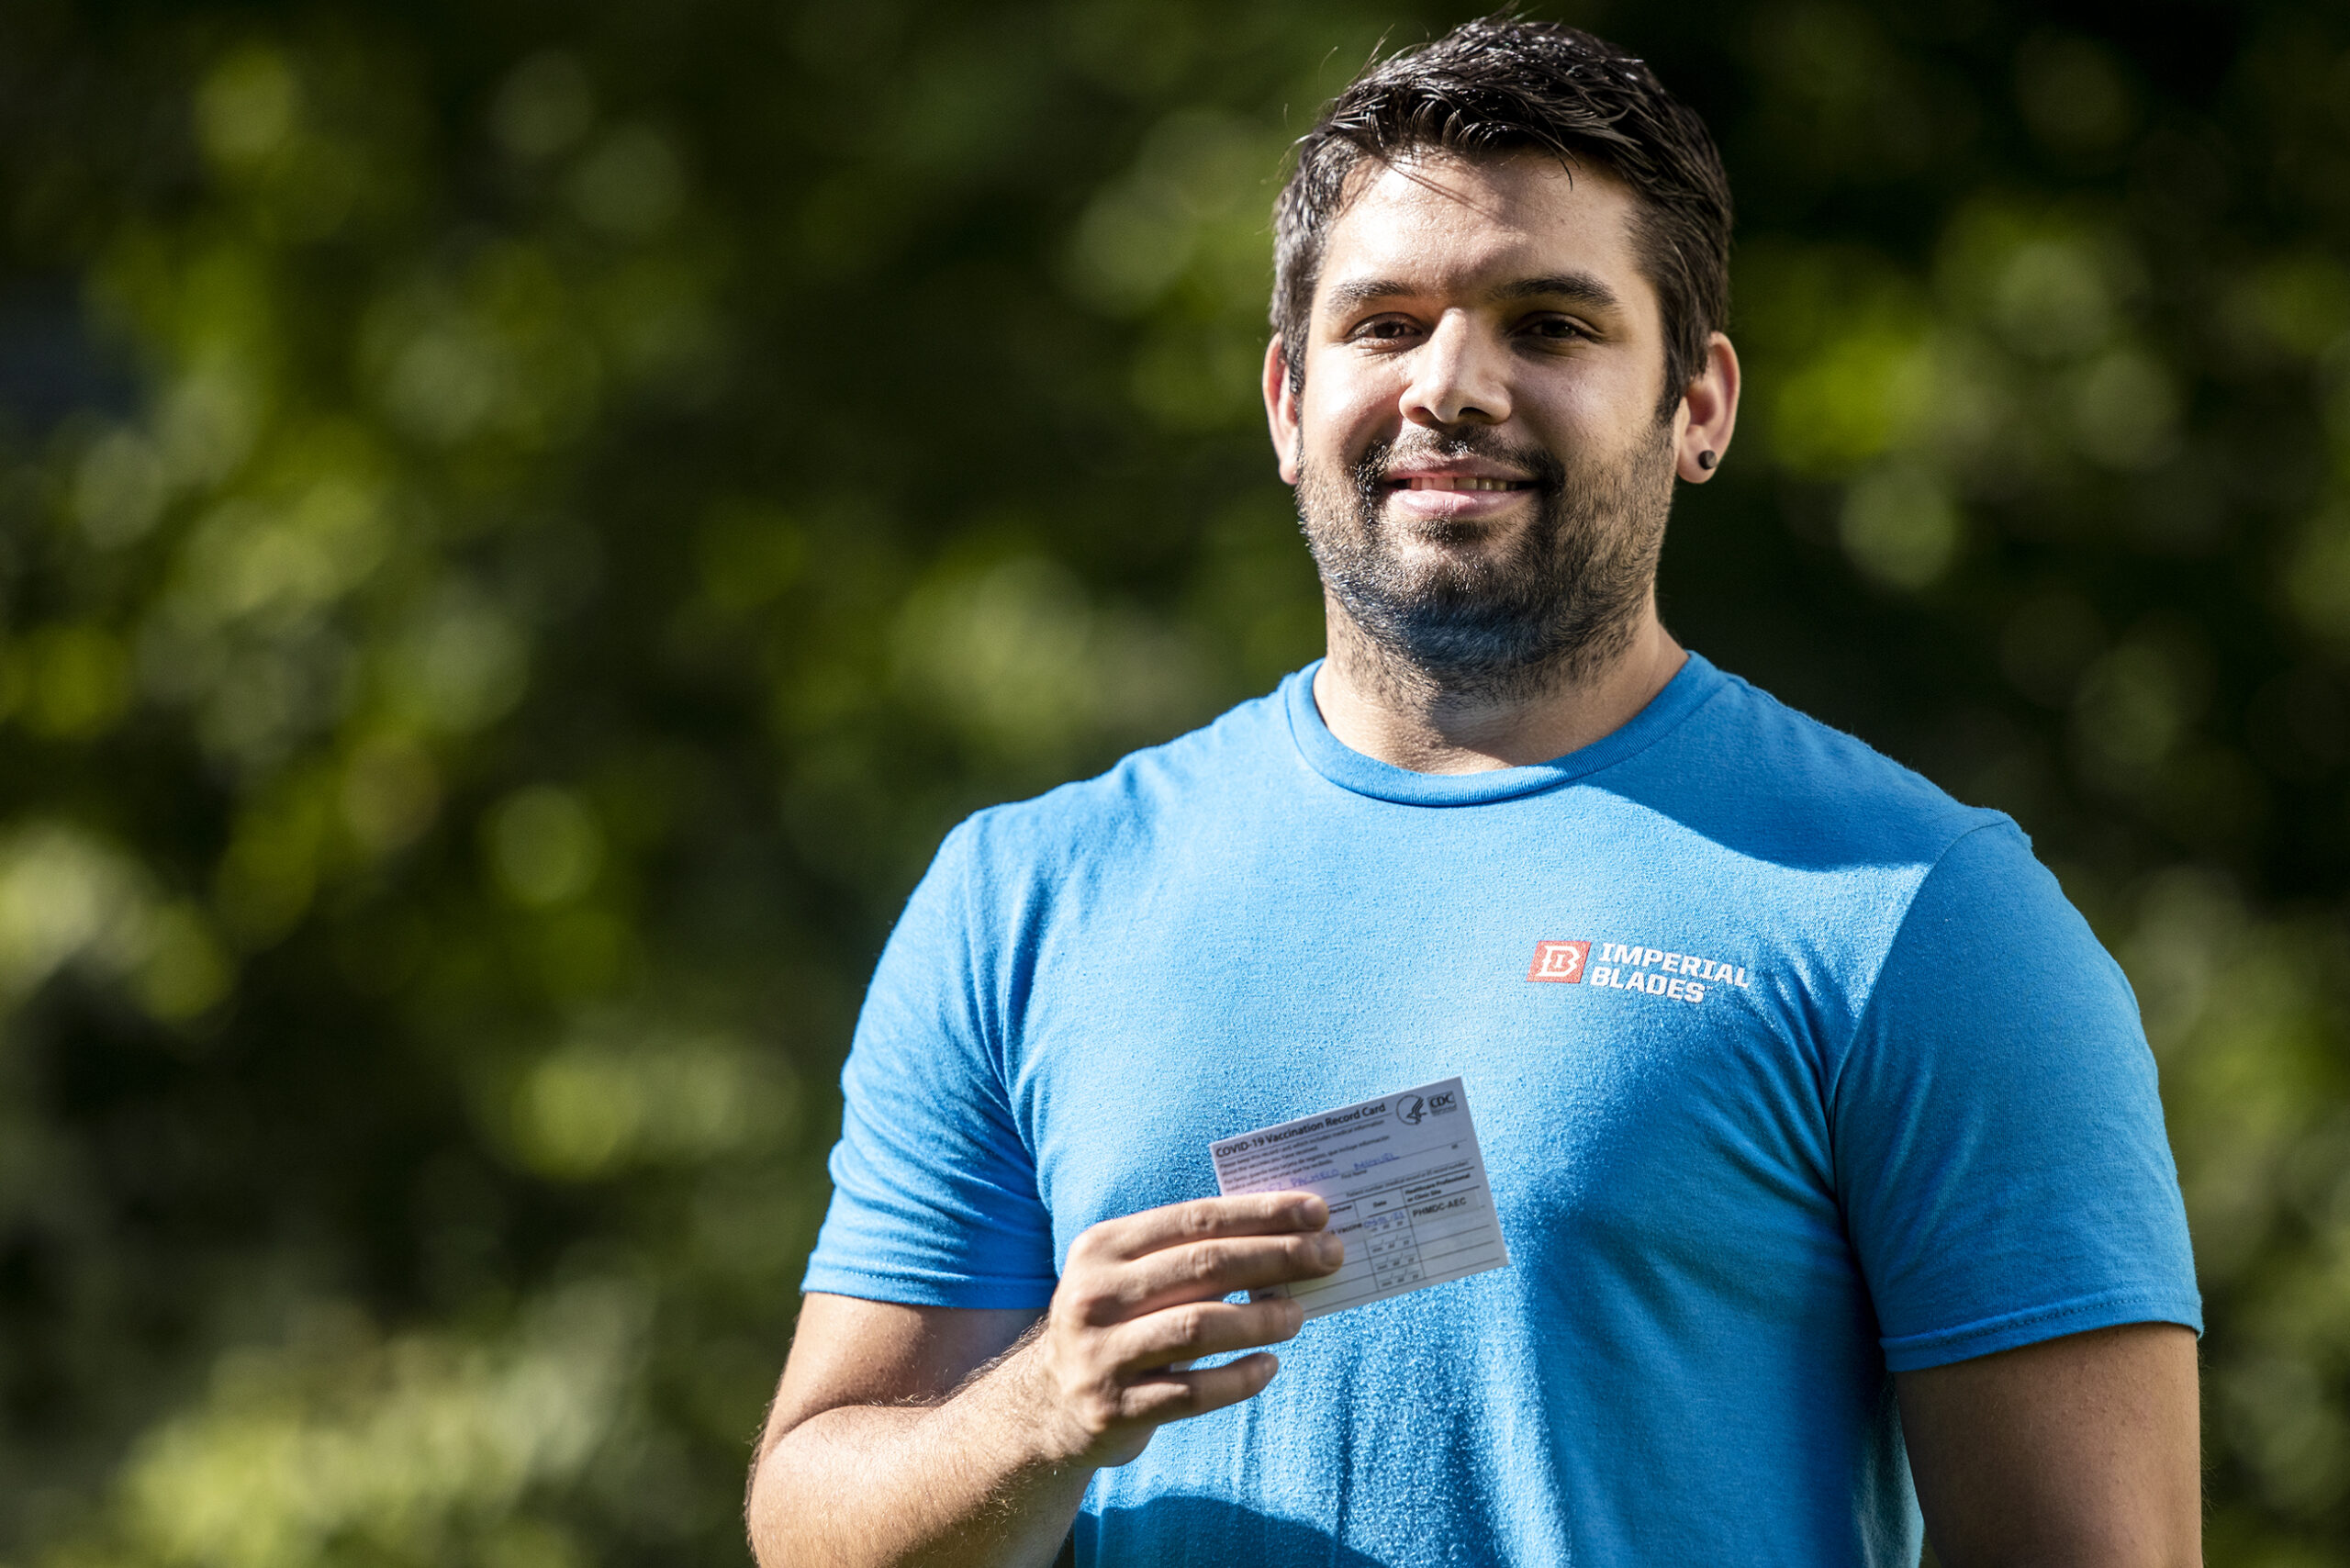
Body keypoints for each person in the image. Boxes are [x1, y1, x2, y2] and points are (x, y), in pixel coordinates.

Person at [745, 17, 2203, 1567]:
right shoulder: (1025, 896)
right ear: (1285, 401)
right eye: (1384, 324)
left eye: (1552, 325)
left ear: (1697, 406)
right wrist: (1041, 1405)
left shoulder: (1917, 914)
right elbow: (812, 1517)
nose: (1453, 385)